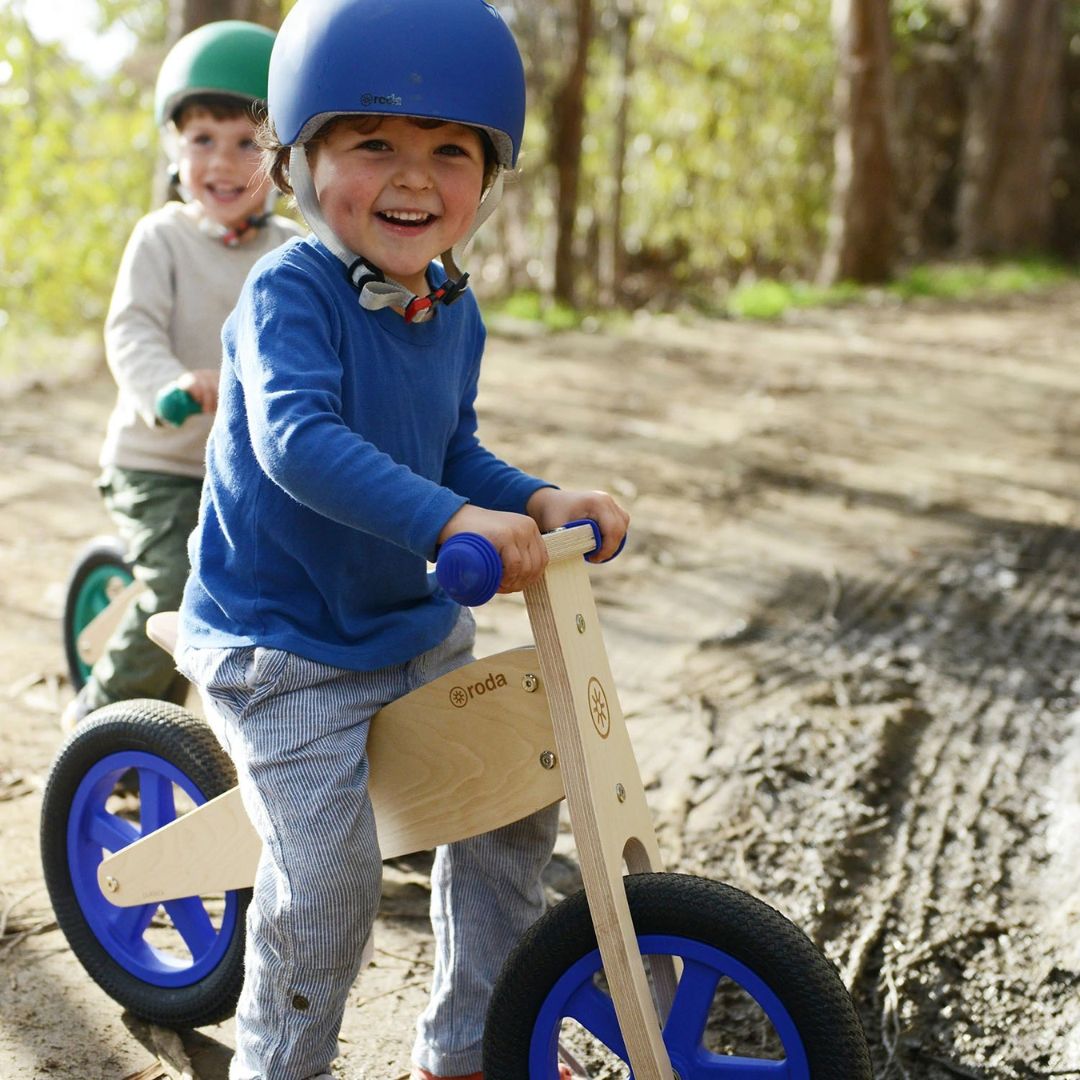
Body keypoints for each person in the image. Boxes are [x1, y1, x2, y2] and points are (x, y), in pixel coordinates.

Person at [172, 0, 629, 1077]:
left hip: (410, 630)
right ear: (300, 160)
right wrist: (448, 521)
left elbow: (449, 449)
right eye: (374, 143)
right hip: (283, 648)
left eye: (450, 151)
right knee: (327, 889)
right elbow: (297, 441)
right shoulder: (290, 289)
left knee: (519, 794)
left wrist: (537, 498)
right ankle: (279, 1063)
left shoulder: (447, 303)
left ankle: (466, 1045)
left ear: (487, 174)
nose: (414, 178)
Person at [62, 21, 304, 732]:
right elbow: (131, 329)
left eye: (246, 143)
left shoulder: (292, 251)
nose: (224, 163)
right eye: (203, 140)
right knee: (178, 583)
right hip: (160, 462)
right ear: (176, 147)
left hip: (251, 468)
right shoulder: (162, 237)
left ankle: (277, 731)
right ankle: (98, 722)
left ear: (284, 158)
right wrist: (168, 386)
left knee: (295, 587)